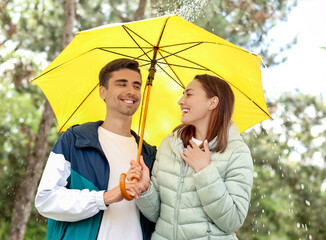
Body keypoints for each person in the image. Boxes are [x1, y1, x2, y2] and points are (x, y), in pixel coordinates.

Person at [35, 58, 156, 240]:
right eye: (122, 84)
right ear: (103, 91)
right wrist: (104, 198)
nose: (131, 91)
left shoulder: (148, 154)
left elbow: (158, 216)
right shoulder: (75, 140)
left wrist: (146, 191)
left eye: (137, 86)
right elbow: (46, 199)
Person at [128, 74, 254, 239]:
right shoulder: (169, 145)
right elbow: (158, 215)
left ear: (212, 102)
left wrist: (204, 170)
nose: (181, 101)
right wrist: (145, 189)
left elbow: (232, 221)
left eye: (189, 94)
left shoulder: (237, 152)